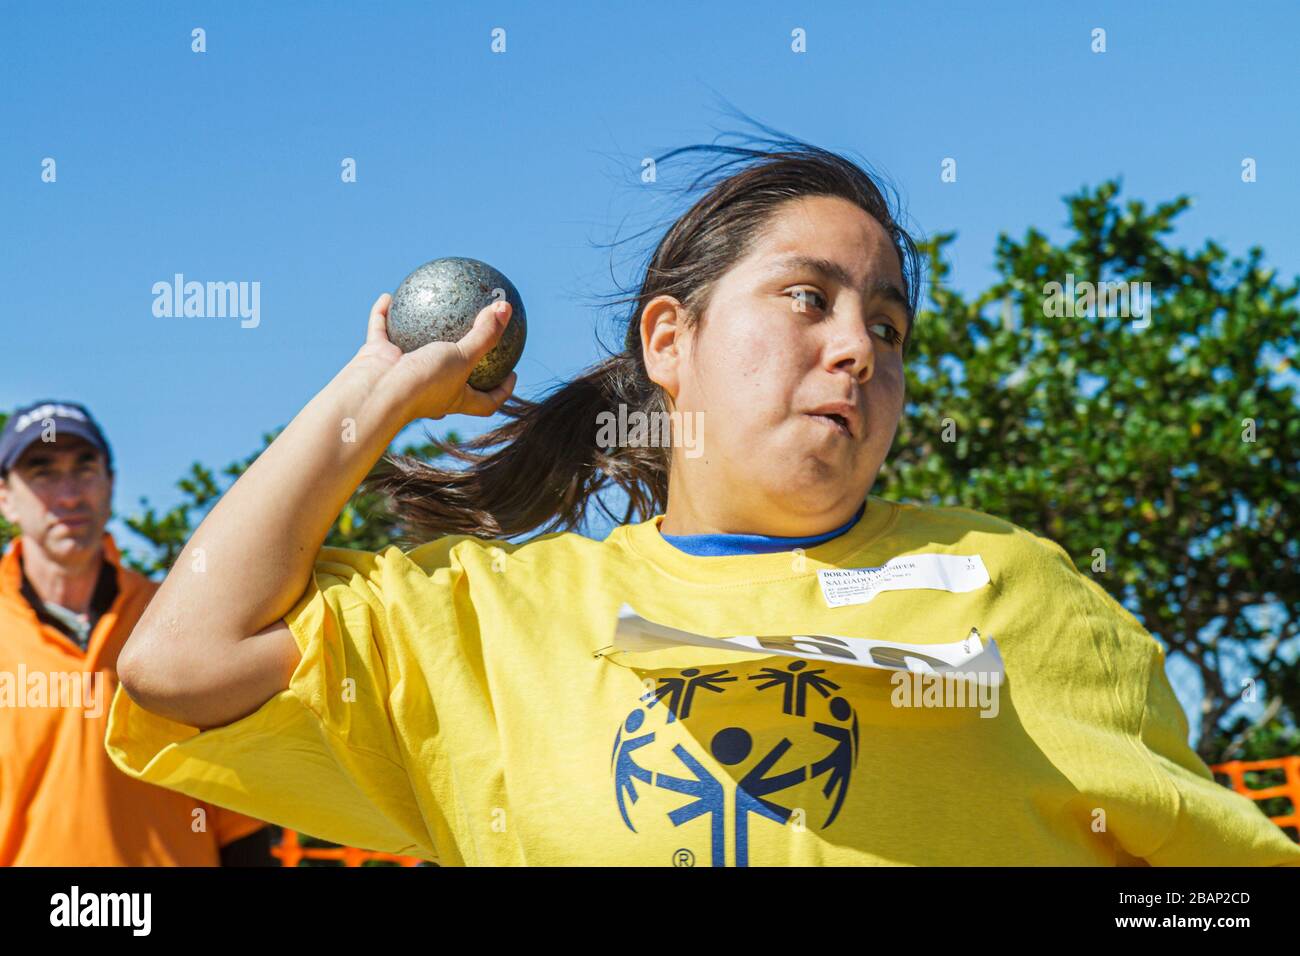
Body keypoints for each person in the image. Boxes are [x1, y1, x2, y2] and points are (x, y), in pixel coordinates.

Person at [105, 132, 1300, 866]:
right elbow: (179, 659)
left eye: (886, 324)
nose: (857, 350)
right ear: (669, 338)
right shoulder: (486, 621)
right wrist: (369, 395)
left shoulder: (1024, 589)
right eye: (807, 298)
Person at [0, 400, 273, 866]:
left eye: (85, 468)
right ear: (5, 498)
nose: (69, 494)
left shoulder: (180, 616)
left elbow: (239, 808)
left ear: (110, 483)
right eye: (43, 472)